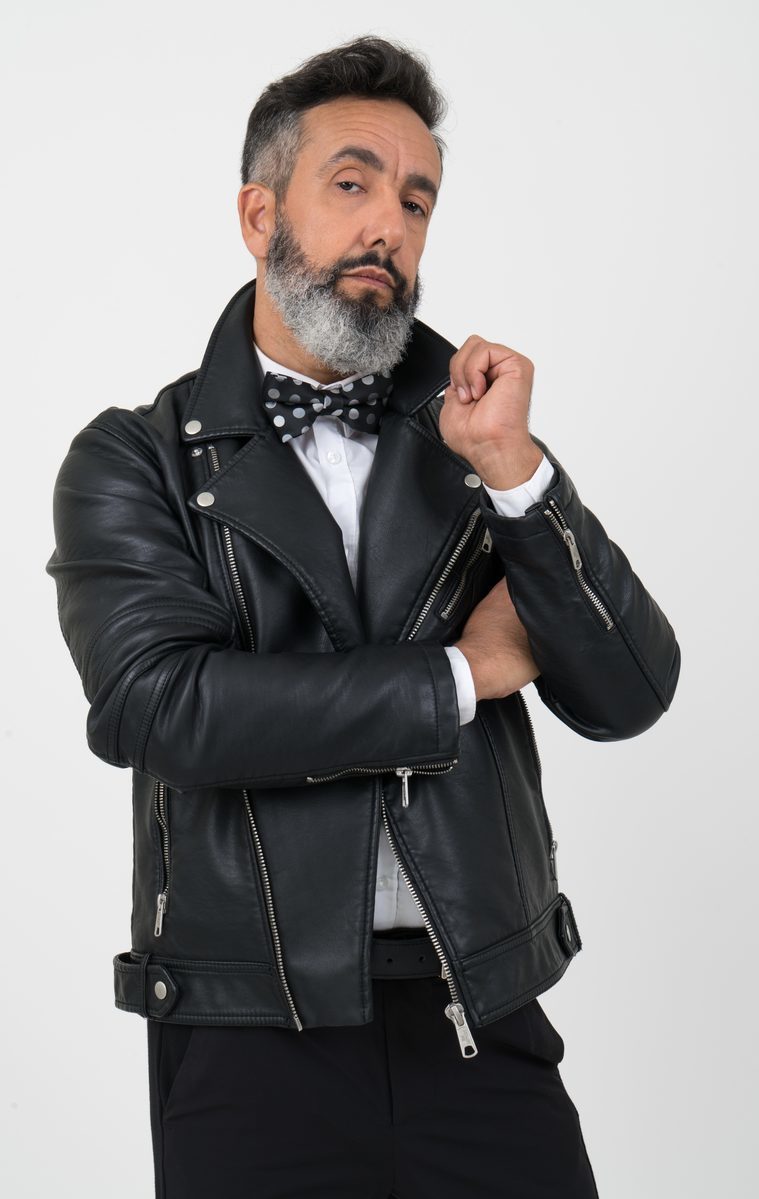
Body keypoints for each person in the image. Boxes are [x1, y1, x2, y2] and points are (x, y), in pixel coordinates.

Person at [45, 33, 680, 1199]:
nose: (388, 223)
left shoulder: (474, 441)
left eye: (415, 200)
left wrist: (520, 478)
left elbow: (630, 693)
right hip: (245, 1034)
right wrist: (456, 676)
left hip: (477, 1010)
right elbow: (157, 704)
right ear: (258, 215)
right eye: (352, 183)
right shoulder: (132, 459)